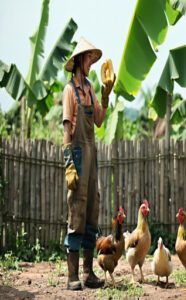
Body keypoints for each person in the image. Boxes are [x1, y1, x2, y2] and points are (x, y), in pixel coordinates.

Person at [62, 37, 115, 290]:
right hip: (78, 156)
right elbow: (66, 132)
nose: (92, 63)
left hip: (92, 156)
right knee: (77, 211)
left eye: (94, 59)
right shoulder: (70, 90)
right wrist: (68, 163)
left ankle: (88, 273)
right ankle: (72, 276)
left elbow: (99, 122)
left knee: (92, 208)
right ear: (78, 61)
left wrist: (105, 97)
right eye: (88, 59)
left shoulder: (92, 87)